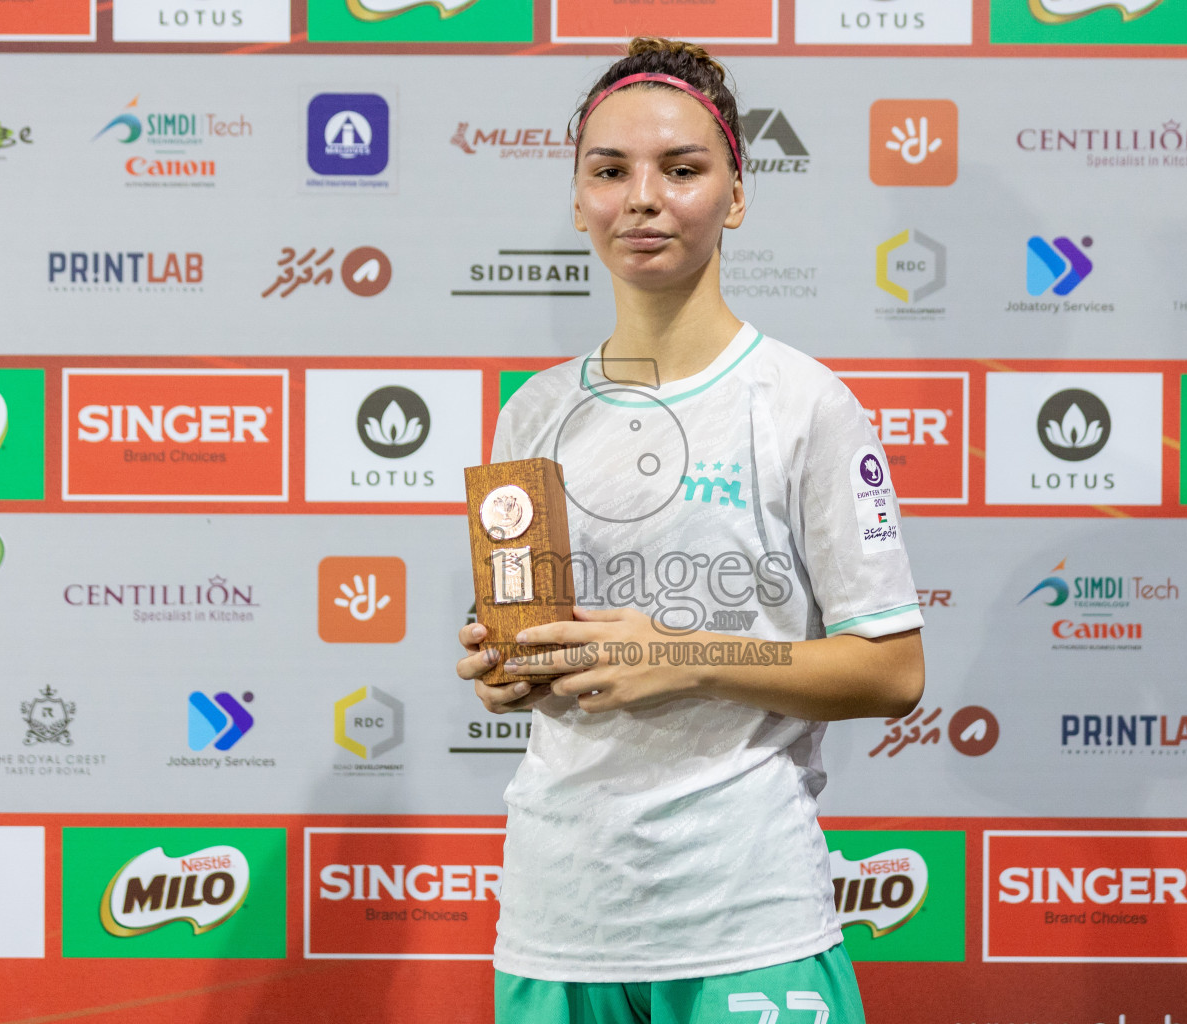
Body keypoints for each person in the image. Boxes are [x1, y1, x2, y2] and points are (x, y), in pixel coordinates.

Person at [455, 36, 926, 1024]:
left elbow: (893, 672)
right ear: (578, 196)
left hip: (744, 914)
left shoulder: (804, 402)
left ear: (736, 194)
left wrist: (686, 654)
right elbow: (531, 645)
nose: (642, 198)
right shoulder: (532, 412)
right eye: (609, 170)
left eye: (681, 169)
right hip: (557, 917)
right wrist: (503, 662)